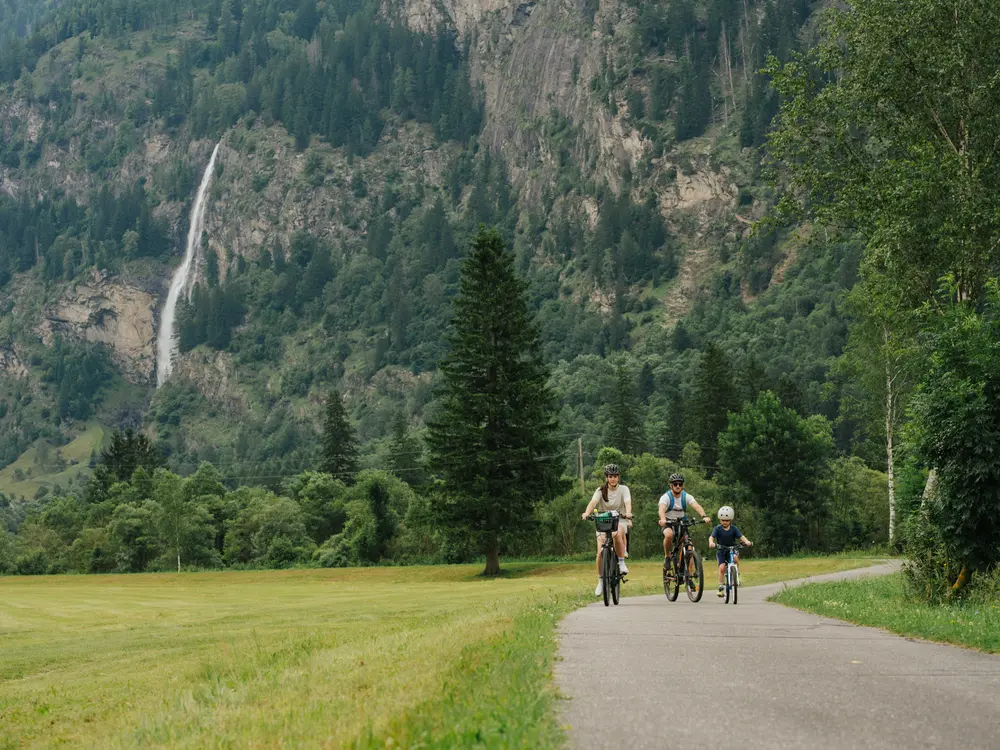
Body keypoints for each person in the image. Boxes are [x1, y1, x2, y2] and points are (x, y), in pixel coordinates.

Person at [581, 463, 633, 597]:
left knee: (617, 532)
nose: (613, 479)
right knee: (599, 553)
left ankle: (621, 562)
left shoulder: (624, 489)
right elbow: (593, 503)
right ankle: (600, 580)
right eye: (610, 476)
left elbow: (627, 503)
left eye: (615, 476)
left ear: (618, 477)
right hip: (603, 521)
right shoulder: (600, 490)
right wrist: (586, 513)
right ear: (606, 478)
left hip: (620, 519)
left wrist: (628, 513)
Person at [658, 473, 710, 575]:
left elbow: (696, 506)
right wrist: (663, 519)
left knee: (689, 547)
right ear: (671, 485)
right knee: (668, 535)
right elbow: (661, 509)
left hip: (682, 523)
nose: (678, 486)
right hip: (668, 522)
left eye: (680, 484)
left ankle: (688, 575)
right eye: (675, 484)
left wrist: (704, 516)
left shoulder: (686, 496)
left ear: (682, 485)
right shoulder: (666, 497)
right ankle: (667, 556)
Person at [708, 505, 752, 596]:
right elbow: (711, 537)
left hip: (732, 549)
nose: (725, 522)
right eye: (723, 520)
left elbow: (741, 536)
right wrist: (711, 542)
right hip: (721, 550)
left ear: (730, 520)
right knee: (722, 568)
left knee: (735, 558)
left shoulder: (734, 529)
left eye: (727, 520)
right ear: (720, 520)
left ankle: (736, 573)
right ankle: (720, 587)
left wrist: (747, 541)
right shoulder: (717, 529)